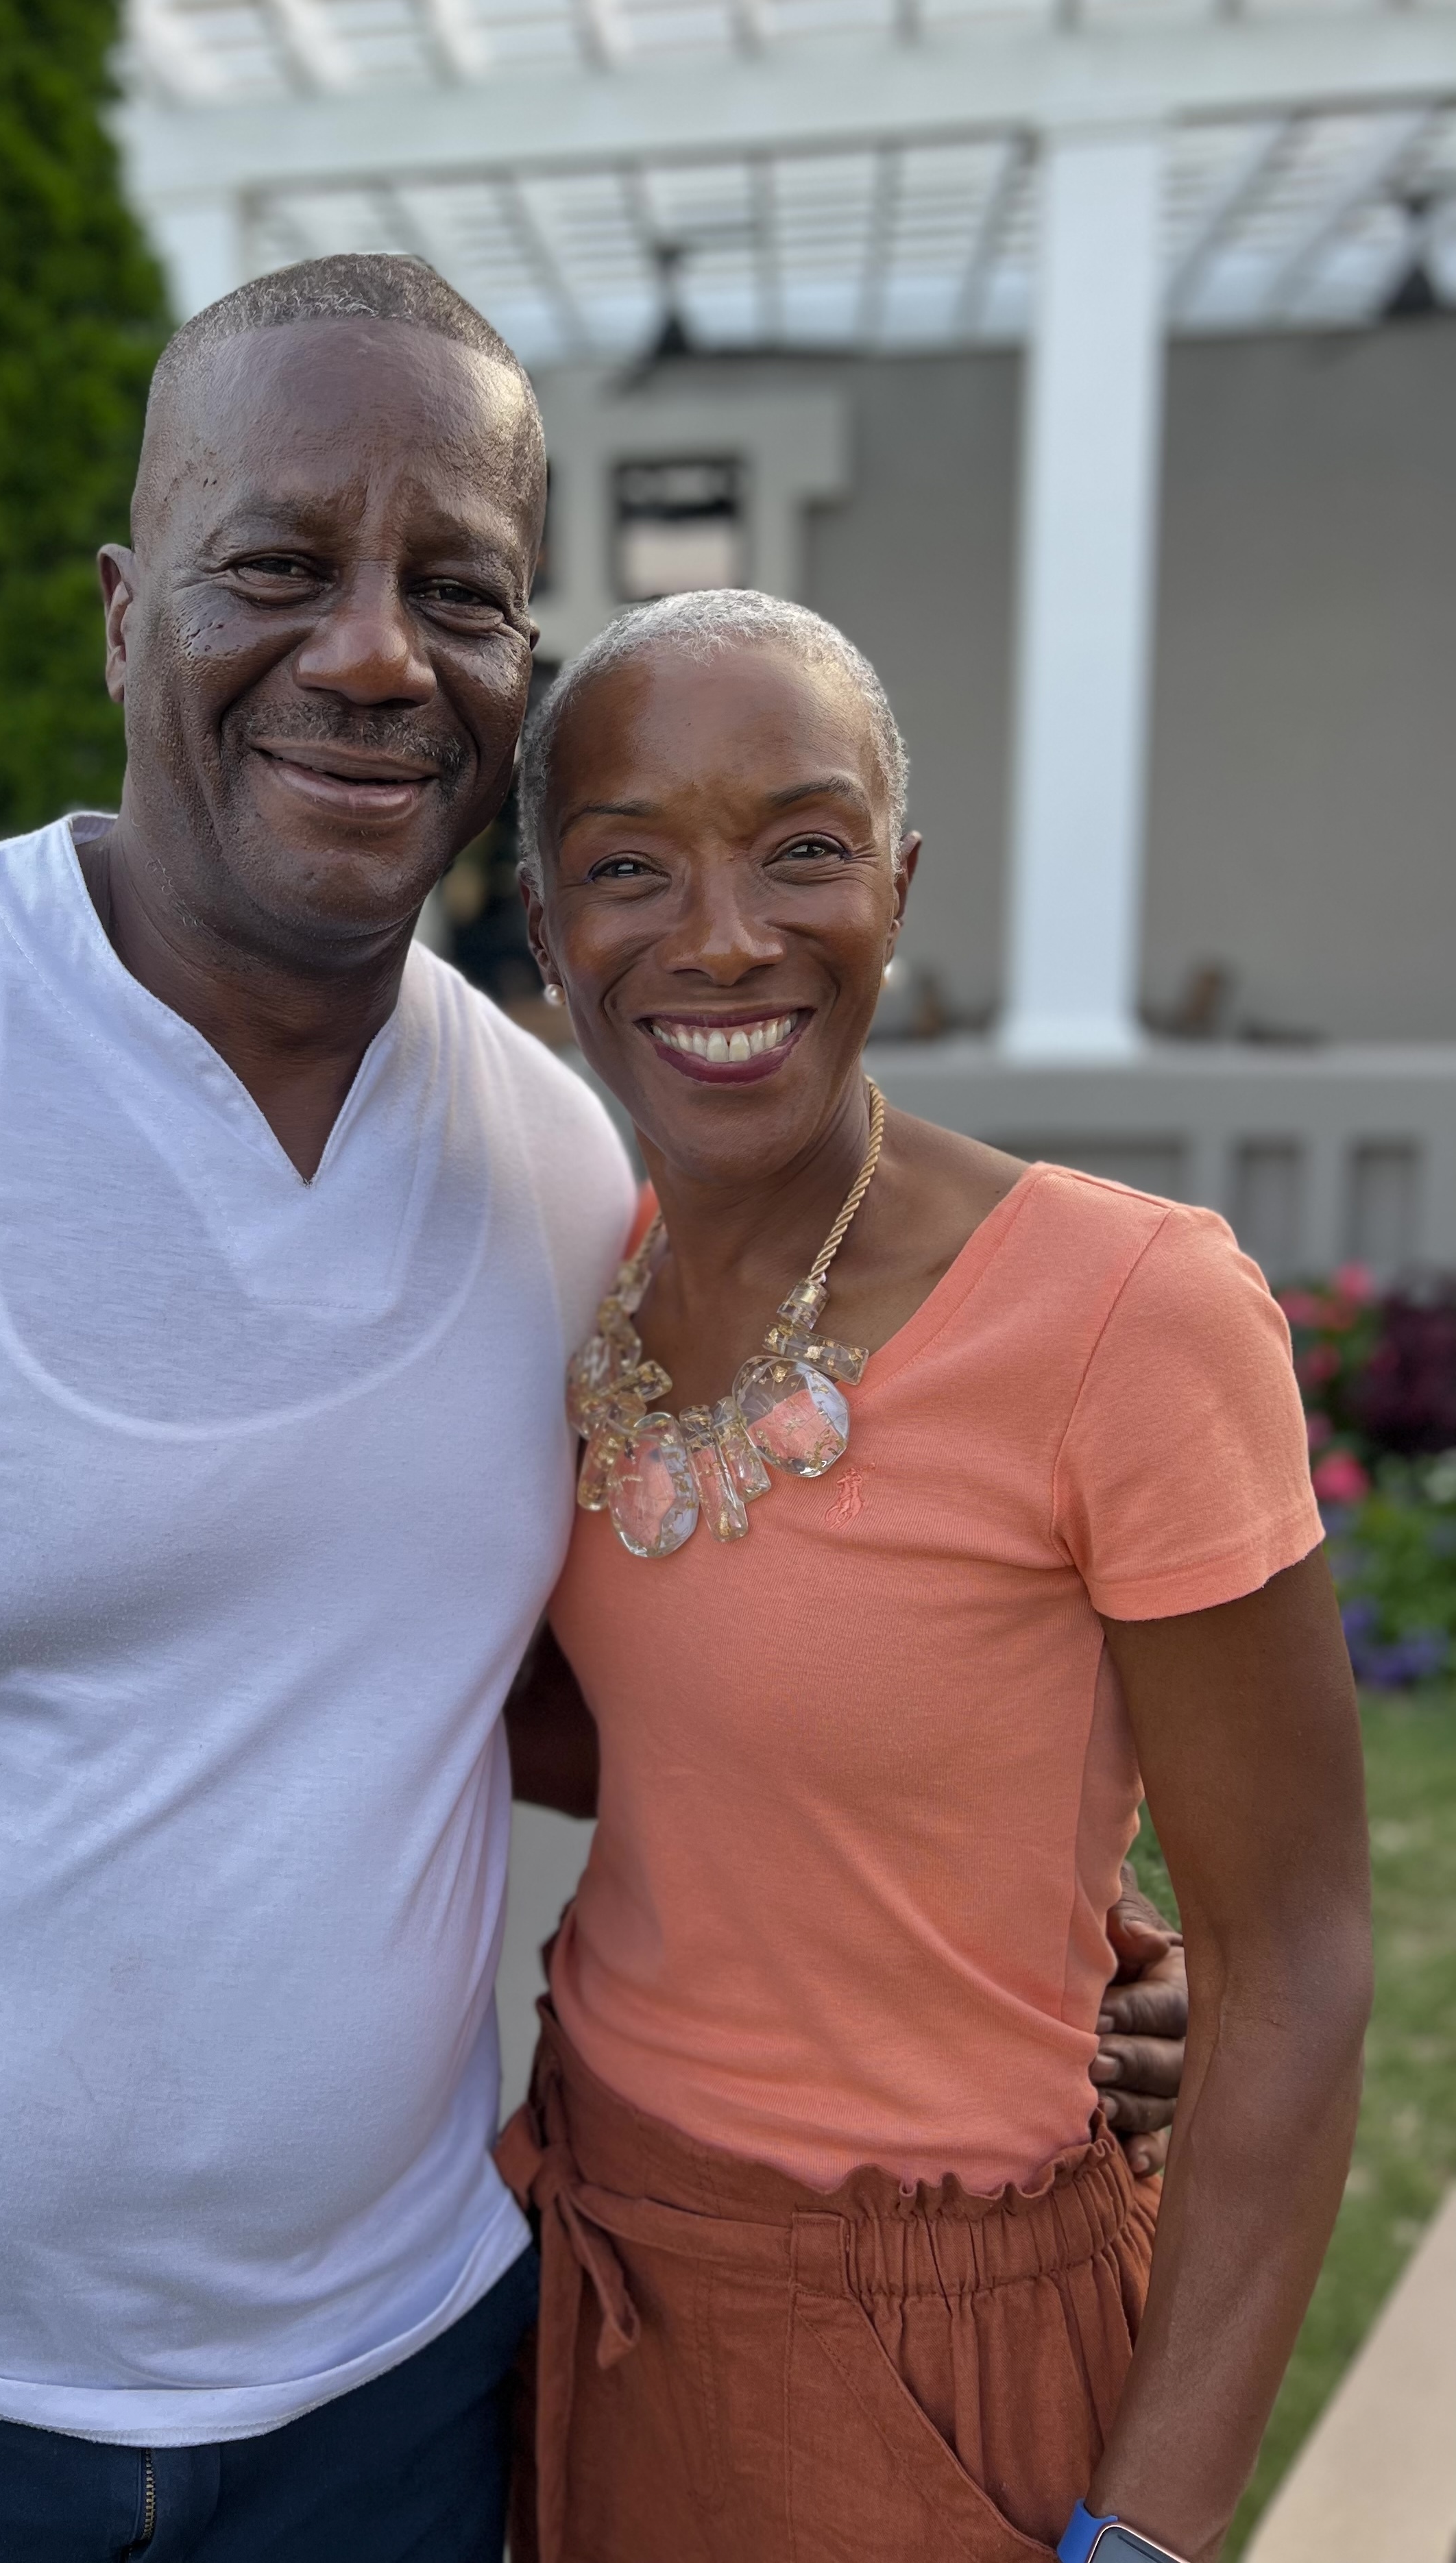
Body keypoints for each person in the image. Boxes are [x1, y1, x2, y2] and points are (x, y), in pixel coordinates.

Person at [0, 258, 1180, 2563]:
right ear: (124, 613)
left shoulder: (563, 1170)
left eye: (462, 590)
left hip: (391, 2429)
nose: (374, 650)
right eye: (279, 563)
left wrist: (1042, 1901)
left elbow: (606, 1685)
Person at [502, 589, 1374, 2563]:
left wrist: (1146, 2540)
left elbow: (1299, 1962)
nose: (725, 936)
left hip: (942, 2336)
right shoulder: (581, 1285)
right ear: (548, 932)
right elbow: (639, 1734)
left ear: (898, 887)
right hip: (603, 2258)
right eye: (631, 867)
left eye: (802, 848)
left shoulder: (1128, 1312)